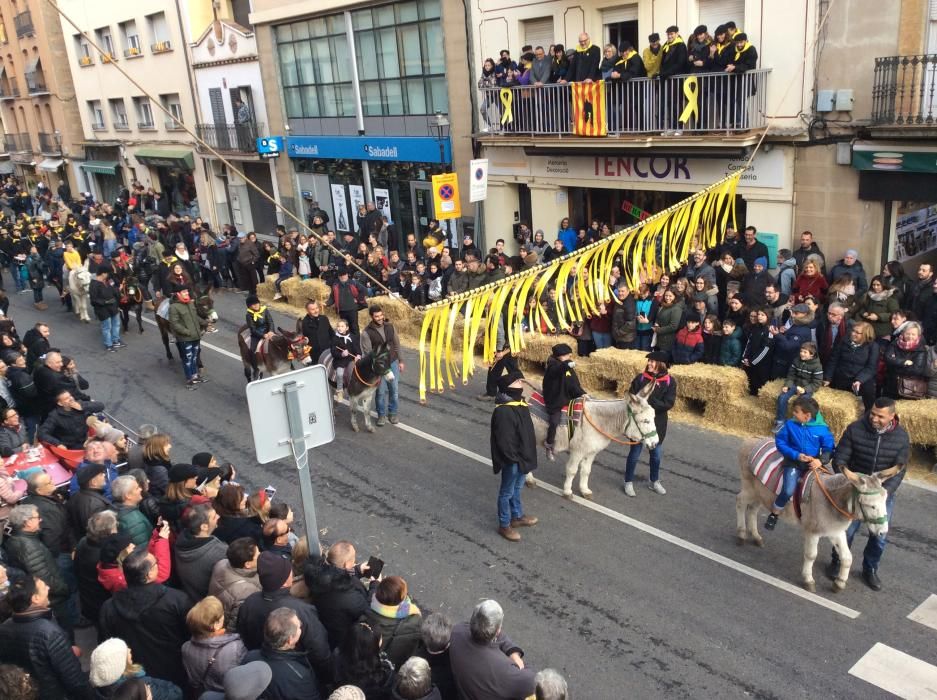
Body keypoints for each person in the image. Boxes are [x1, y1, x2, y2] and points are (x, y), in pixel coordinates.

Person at [828, 398, 909, 590]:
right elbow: (840, 458)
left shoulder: (901, 437)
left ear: (891, 416)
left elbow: (900, 468)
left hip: (881, 494)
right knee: (846, 531)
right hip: (856, 491)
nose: (874, 418)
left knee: (880, 535)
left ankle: (870, 569)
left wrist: (885, 492)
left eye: (880, 416)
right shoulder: (855, 429)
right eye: (873, 413)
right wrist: (849, 479)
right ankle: (837, 562)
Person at [237, 551, 332, 676]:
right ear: (285, 580)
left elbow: (243, 634)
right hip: (294, 670)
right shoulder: (302, 611)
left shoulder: (249, 602)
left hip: (261, 663)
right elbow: (319, 650)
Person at [0, 575, 93, 700]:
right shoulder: (50, 633)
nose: (48, 588)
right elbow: (74, 680)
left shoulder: (4, 627)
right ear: (36, 598)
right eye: (44, 587)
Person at [449, 600, 535, 700]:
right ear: (498, 630)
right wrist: (519, 662)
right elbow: (533, 681)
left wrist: (513, 652)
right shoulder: (505, 671)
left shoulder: (457, 631)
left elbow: (500, 637)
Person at [489, 370, 538, 542]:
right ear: (508, 388)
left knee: (517, 488)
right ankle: (504, 524)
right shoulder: (503, 411)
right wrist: (513, 460)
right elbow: (504, 440)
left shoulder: (520, 404)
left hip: (524, 456)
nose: (521, 385)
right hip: (513, 459)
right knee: (507, 492)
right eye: (517, 382)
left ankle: (517, 516)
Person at [304, 540, 376, 649]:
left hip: (323, 621)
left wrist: (357, 570)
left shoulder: (316, 575)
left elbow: (337, 575)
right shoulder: (349, 596)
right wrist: (375, 586)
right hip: (340, 636)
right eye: (353, 560)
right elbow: (367, 609)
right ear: (346, 564)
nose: (355, 561)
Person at [623, 351, 675, 497]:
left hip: (656, 425)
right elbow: (630, 398)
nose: (649, 364)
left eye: (652, 361)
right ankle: (628, 482)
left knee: (656, 455)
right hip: (638, 425)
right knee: (634, 454)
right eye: (649, 361)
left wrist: (648, 402)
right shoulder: (640, 378)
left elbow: (668, 404)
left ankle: (654, 481)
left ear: (661, 364)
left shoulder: (670, 382)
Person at [181, 595, 247, 695]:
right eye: (222, 614)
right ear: (215, 625)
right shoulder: (235, 648)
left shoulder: (185, 648)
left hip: (202, 693)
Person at [360, 304, 404, 426]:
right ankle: (381, 415)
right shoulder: (366, 333)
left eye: (381, 315)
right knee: (380, 392)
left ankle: (393, 413)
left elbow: (397, 344)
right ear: (371, 317)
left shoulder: (390, 326)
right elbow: (368, 354)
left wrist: (400, 360)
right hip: (379, 367)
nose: (379, 318)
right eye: (376, 316)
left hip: (393, 362)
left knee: (394, 390)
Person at [174, 503, 228, 602]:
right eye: (214, 517)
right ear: (204, 527)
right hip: (208, 601)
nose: (218, 516)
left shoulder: (181, 542)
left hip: (191, 595)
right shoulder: (219, 552)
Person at [541, 343, 584, 460]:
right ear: (559, 356)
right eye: (566, 355)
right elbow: (559, 369)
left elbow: (573, 383)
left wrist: (583, 394)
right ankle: (549, 445)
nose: (569, 356)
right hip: (555, 398)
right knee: (554, 421)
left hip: (568, 395)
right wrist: (567, 365)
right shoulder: (553, 366)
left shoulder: (566, 366)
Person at [208, 536, 261, 631]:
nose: (261, 555)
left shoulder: (222, 563)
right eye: (258, 555)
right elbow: (236, 622)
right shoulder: (245, 591)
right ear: (247, 564)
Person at [825, 321, 879, 411]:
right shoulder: (843, 341)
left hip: (860, 379)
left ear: (866, 334)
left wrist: (859, 380)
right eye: (853, 331)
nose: (853, 334)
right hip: (842, 376)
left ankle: (868, 414)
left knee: (868, 392)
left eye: (857, 333)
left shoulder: (873, 346)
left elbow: (871, 368)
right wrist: (827, 377)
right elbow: (833, 360)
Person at [773, 341, 824, 432]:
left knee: (801, 404)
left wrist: (805, 390)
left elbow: (817, 383)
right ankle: (780, 421)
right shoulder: (796, 360)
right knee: (782, 397)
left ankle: (796, 424)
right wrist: (787, 385)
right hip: (795, 384)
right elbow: (791, 375)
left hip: (806, 387)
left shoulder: (817, 366)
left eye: (805, 352)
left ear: (811, 355)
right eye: (801, 351)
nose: (802, 353)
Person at [38, 389, 105, 449]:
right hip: (70, 447)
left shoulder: (79, 404)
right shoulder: (54, 416)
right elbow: (42, 433)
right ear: (60, 403)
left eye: (70, 396)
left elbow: (101, 406)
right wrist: (58, 444)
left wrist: (83, 407)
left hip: (86, 440)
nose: (71, 399)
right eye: (66, 398)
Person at [169, 289, 209, 389]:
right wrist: (187, 332)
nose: (187, 293)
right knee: (187, 359)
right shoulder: (174, 307)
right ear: (178, 294)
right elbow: (175, 324)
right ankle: (189, 380)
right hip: (185, 338)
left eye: (187, 292)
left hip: (196, 336)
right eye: (184, 292)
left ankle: (195, 376)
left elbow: (195, 317)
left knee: (194, 357)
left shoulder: (190, 304)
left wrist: (205, 322)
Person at [882, 321, 927, 399]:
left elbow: (917, 370)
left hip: (909, 387)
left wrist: (895, 363)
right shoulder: (895, 343)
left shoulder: (921, 350)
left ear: (918, 335)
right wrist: (903, 362)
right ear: (903, 333)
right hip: (891, 384)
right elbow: (887, 358)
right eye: (908, 333)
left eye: (913, 334)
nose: (910, 336)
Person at [245, 294, 274, 378]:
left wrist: (271, 331)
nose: (256, 305)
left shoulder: (265, 310)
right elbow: (253, 329)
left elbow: (270, 322)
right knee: (253, 350)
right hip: (257, 335)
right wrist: (263, 335)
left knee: (281, 341)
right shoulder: (248, 315)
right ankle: (256, 368)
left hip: (268, 332)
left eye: (257, 303)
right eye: (253, 304)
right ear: (250, 306)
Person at [330, 318, 360, 402]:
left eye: (342, 326)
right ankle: (339, 391)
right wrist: (341, 354)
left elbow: (357, 348)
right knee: (339, 374)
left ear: (347, 328)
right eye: (338, 326)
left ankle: (353, 391)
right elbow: (333, 352)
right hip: (340, 360)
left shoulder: (352, 337)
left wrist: (358, 355)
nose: (340, 328)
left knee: (353, 373)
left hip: (350, 359)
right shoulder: (335, 338)